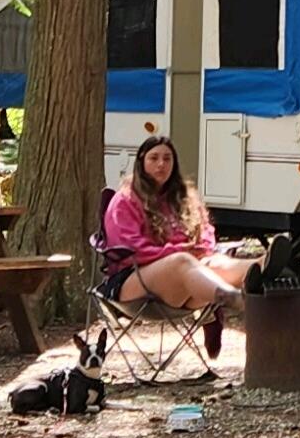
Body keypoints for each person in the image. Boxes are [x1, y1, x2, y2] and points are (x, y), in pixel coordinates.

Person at [100, 132, 249, 355]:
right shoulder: (125, 199)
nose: (161, 164)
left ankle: (262, 268)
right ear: (141, 161)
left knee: (216, 262)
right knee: (182, 261)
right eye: (154, 158)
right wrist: (178, 251)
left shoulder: (184, 197)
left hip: (189, 285)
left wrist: (203, 248)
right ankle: (231, 298)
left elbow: (206, 232)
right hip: (133, 283)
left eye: (167, 158)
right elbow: (131, 248)